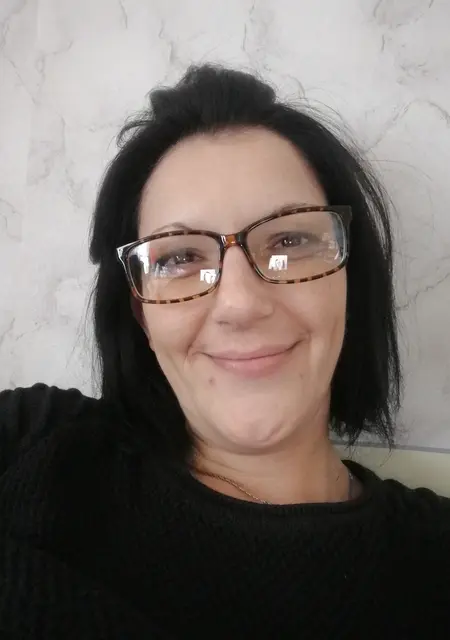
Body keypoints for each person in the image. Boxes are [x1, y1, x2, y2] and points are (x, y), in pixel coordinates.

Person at [0, 64, 449, 640]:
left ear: (349, 281)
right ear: (140, 313)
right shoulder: (32, 443)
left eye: (290, 240)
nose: (240, 304)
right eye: (179, 258)